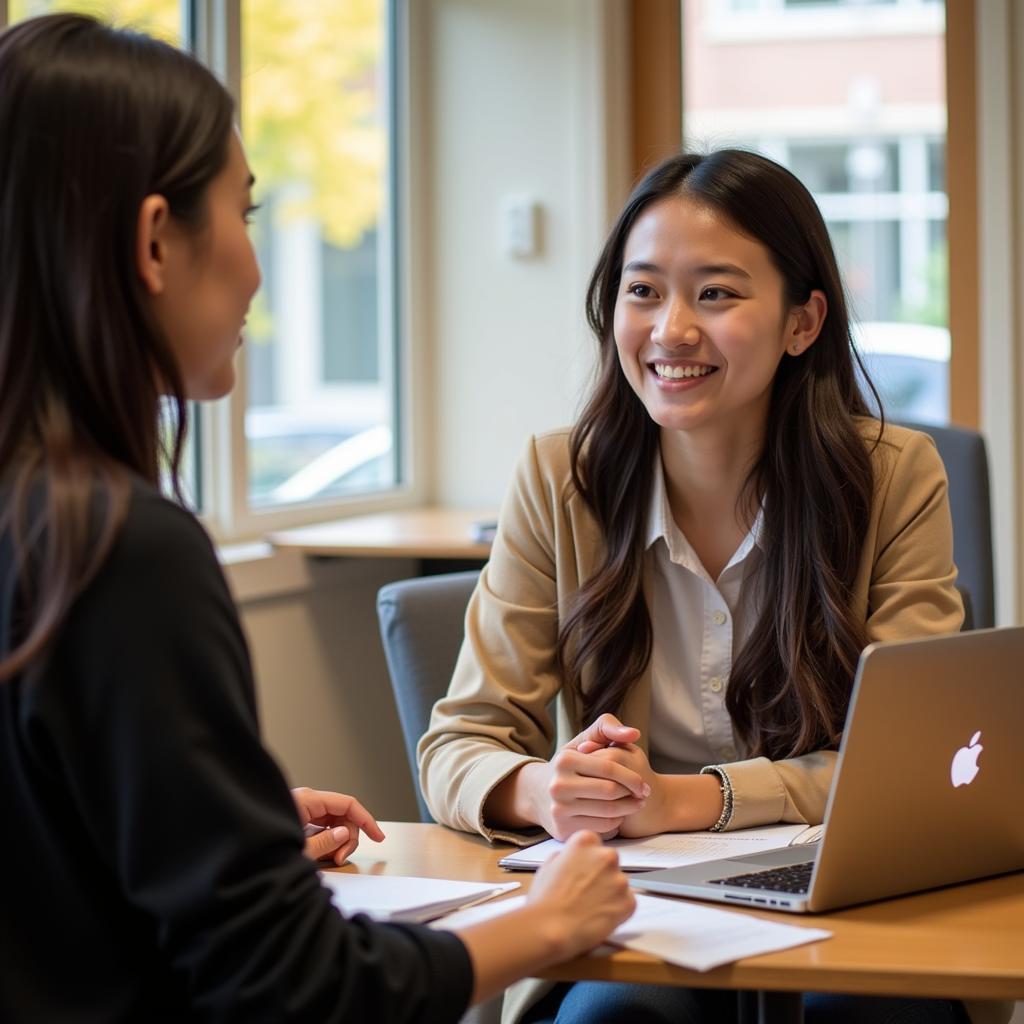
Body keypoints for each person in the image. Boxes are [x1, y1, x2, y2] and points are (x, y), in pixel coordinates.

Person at [0, 14, 635, 1023]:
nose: (256, 268)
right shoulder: (121, 549)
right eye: (243, 215)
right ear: (154, 241)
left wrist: (224, 830)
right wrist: (542, 927)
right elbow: (290, 985)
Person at [418, 150, 995, 1023]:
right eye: (643, 291)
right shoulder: (556, 478)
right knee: (615, 1019)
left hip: (849, 902)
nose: (671, 329)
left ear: (802, 323)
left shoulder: (894, 478)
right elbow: (457, 745)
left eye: (716, 294)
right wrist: (547, 792)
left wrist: (687, 800)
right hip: (637, 917)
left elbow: (908, 774)